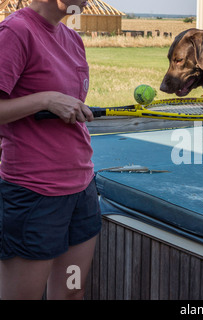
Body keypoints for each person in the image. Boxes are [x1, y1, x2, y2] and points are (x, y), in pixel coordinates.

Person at [0, 0, 101, 300]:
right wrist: (45, 100)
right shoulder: (16, 32)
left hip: (81, 190)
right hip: (35, 196)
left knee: (72, 292)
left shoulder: (72, 39)